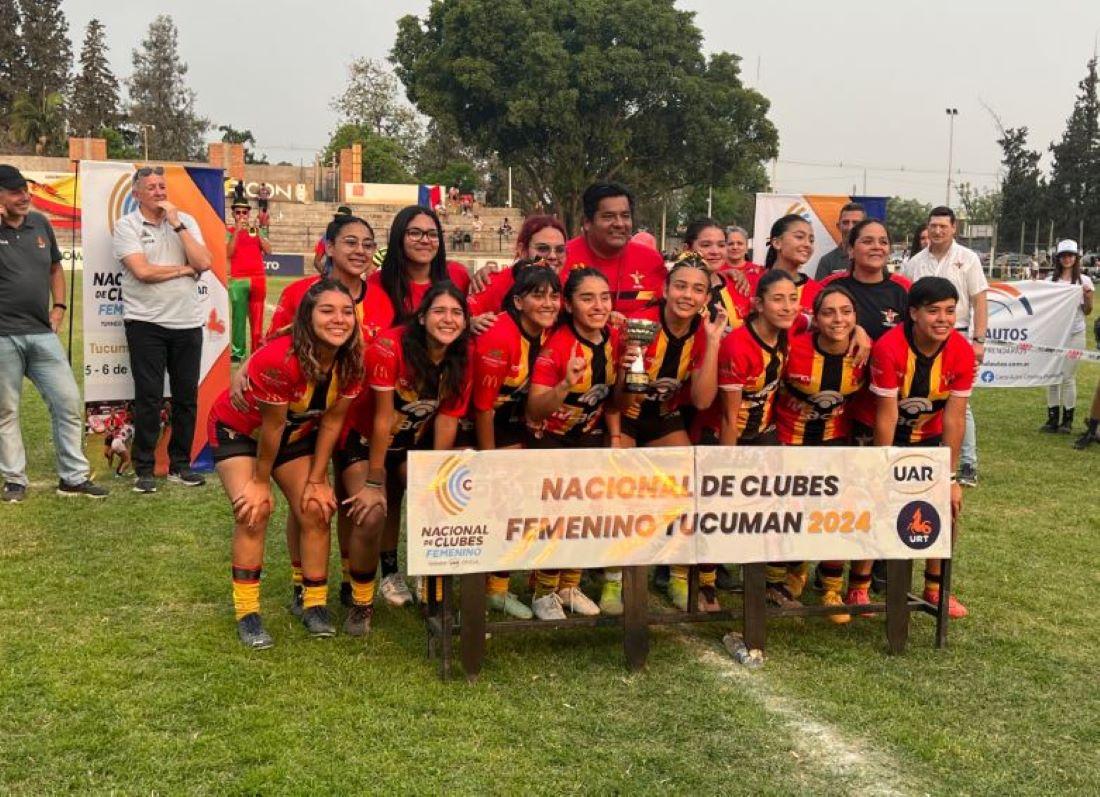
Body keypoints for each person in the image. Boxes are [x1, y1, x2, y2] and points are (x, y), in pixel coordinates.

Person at [208, 279, 364, 647]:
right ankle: (248, 613)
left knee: (316, 508)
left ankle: (313, 604)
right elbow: (270, 427)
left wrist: (318, 479)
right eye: (327, 311)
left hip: (293, 433)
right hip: (243, 431)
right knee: (254, 510)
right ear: (307, 317)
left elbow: (332, 421)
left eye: (346, 312)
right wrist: (260, 481)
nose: (339, 320)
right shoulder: (281, 359)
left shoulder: (354, 359)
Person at [244, 214, 376, 612]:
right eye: (349, 242)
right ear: (329, 247)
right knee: (307, 501)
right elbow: (274, 349)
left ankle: (352, 586)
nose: (359, 251)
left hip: (359, 419)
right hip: (306, 421)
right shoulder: (302, 292)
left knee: (354, 506)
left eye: (367, 244)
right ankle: (304, 585)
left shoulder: (384, 293)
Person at [339, 283, 473, 622]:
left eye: (457, 313)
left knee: (439, 503)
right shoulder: (389, 346)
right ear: (423, 316)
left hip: (412, 442)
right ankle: (361, 602)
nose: (448, 320)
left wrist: (436, 477)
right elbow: (382, 419)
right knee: (372, 514)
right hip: (364, 441)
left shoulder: (461, 356)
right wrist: (373, 481)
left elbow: (446, 420)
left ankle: (432, 589)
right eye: (440, 311)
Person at [614, 254, 725, 612]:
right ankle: (614, 580)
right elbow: (617, 394)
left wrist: (713, 344)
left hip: (664, 416)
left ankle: (678, 573)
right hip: (624, 413)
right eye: (680, 286)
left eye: (698, 290)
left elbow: (703, 399)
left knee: (688, 489)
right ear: (665, 289)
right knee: (622, 493)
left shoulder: (705, 332)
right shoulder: (639, 324)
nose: (687, 296)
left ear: (706, 298)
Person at [0, 164, 108, 501]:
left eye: (25, 190)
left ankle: (73, 477)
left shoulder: (40, 223)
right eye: (15, 191)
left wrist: (59, 307)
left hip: (42, 333)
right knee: (6, 411)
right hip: (3, 336)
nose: (24, 196)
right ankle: (15, 479)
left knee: (68, 402)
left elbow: (55, 269)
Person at [869, 276, 973, 618]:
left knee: (947, 505)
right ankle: (858, 586)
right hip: (887, 437)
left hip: (928, 439)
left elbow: (955, 420)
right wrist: (883, 467)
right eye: (933, 311)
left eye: (949, 311)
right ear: (913, 313)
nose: (943, 318)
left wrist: (952, 477)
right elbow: (885, 416)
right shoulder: (888, 346)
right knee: (876, 504)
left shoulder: (961, 350)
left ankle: (935, 587)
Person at [112, 165, 213, 494]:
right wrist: (184, 269)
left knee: (187, 398)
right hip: (146, 324)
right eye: (151, 187)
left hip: (187, 323)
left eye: (161, 186)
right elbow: (142, 271)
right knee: (149, 398)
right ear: (136, 194)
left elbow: (205, 263)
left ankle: (180, 466)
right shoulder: (127, 226)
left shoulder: (185, 222)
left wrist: (178, 224)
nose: (159, 192)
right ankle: (144, 468)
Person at [527, 266, 621, 618]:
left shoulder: (616, 338)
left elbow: (612, 400)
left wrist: (614, 437)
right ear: (568, 304)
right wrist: (564, 385)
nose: (598, 305)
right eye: (587, 298)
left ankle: (570, 585)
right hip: (549, 440)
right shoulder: (557, 347)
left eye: (604, 297)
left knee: (587, 515)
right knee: (559, 516)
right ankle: (543, 592)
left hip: (589, 439)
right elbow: (535, 409)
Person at [472, 264, 562, 619]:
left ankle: (528, 581)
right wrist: (490, 461)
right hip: (476, 422)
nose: (549, 303)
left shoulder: (549, 330)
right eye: (538, 295)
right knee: (504, 497)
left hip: (512, 422)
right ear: (518, 301)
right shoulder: (499, 335)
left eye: (554, 296)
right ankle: (489, 587)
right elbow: (481, 409)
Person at [775, 285, 868, 619]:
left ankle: (831, 588)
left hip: (835, 443)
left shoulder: (862, 354)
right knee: (793, 510)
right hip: (790, 440)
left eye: (846, 311)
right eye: (828, 312)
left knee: (838, 512)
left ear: (856, 316)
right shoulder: (792, 349)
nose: (838, 319)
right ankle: (792, 571)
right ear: (815, 317)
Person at [716, 270, 800, 608]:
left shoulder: (792, 328)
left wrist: (858, 333)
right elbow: (726, 416)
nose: (787, 307)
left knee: (779, 502)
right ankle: (705, 581)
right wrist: (726, 464)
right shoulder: (737, 344)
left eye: (792, 299)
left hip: (764, 431)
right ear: (758, 304)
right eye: (778, 299)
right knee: (722, 506)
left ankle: (774, 580)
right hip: (727, 434)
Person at [903, 207, 987, 487]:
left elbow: (980, 301)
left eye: (943, 226)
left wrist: (978, 340)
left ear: (954, 228)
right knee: (923, 395)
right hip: (921, 336)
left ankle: (967, 464)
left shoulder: (968, 258)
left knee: (961, 403)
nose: (937, 231)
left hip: (958, 334)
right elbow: (908, 303)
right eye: (933, 226)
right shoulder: (914, 262)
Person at [363, 205, 471, 340]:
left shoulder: (457, 274)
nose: (425, 240)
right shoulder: (377, 283)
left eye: (432, 234)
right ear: (399, 236)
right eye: (415, 233)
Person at [562, 182, 667, 319]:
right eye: (608, 216)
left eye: (625, 216)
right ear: (587, 222)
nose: (619, 224)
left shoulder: (651, 260)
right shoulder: (562, 257)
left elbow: (666, 310)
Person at [467, 215, 568, 324]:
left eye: (560, 250)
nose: (553, 256)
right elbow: (461, 323)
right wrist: (469, 325)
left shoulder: (570, 287)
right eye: (542, 248)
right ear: (522, 250)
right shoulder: (489, 283)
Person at [1040, 239, 1093, 433]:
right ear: (1058, 258)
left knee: (1068, 377)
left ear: (1076, 258)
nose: (1067, 259)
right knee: (1052, 375)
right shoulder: (1050, 282)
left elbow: (1087, 311)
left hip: (1075, 334)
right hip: (1054, 334)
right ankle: (1052, 418)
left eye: (1071, 255)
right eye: (1064, 256)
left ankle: (1068, 420)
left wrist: (1087, 298)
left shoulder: (1084, 281)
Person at [684, 218, 752, 333]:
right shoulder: (675, 289)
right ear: (687, 249)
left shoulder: (738, 284)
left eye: (721, 245)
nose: (715, 251)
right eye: (706, 245)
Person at [226, 199, 271, 361]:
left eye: (244, 212)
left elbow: (268, 250)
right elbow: (228, 253)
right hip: (238, 279)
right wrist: (237, 232)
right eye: (238, 212)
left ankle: (257, 351)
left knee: (258, 319)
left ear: (248, 214)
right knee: (238, 319)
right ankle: (238, 353)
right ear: (233, 214)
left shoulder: (256, 230)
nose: (241, 216)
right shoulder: (229, 231)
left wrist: (259, 232)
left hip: (258, 278)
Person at [813, 202, 867, 281]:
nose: (850, 228)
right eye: (845, 222)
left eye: (856, 223)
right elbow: (819, 292)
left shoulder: (873, 258)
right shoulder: (827, 261)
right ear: (838, 226)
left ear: (865, 227)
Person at [313, 205, 353, 274]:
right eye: (338, 218)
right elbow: (317, 261)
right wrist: (326, 276)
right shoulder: (326, 237)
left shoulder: (355, 237)